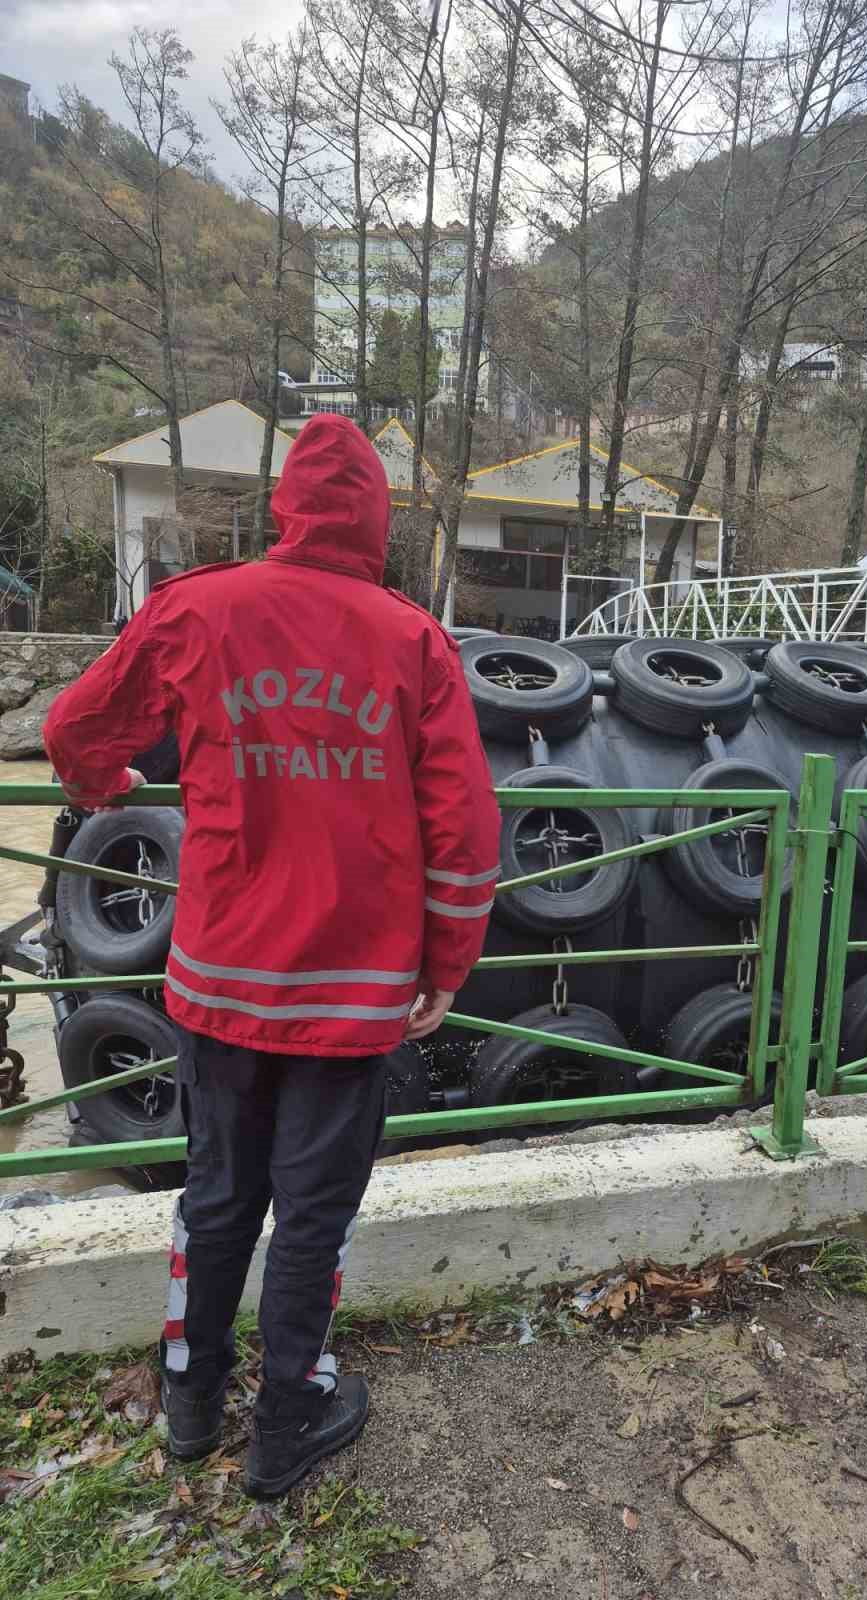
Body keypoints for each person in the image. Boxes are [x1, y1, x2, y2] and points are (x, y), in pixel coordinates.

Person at [44, 415, 500, 1498]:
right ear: (377, 519)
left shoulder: (199, 607)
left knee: (215, 1197)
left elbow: (75, 726)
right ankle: (286, 1431)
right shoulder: (411, 640)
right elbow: (464, 828)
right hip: (351, 997)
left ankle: (192, 1407)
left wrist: (102, 789)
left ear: (286, 504)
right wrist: (447, 961)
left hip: (217, 982)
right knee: (311, 1217)